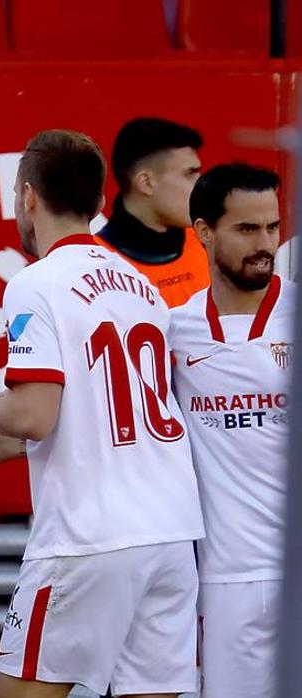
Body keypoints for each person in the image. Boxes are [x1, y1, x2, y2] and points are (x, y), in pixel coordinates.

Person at [0, 129, 205, 698]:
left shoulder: (37, 283)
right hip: (170, 535)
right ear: (101, 204)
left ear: (28, 196)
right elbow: (87, 413)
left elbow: (33, 415)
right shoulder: (142, 286)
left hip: (87, 539)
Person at [169, 163, 289, 698]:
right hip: (227, 581)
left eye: (272, 227)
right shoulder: (172, 330)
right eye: (247, 229)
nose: (265, 244)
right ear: (203, 232)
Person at [96, 117, 207, 307]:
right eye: (189, 174)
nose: (202, 186)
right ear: (146, 183)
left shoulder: (208, 243)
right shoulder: (97, 266)